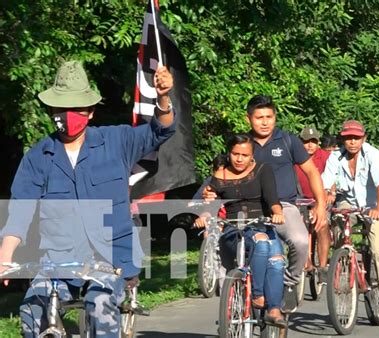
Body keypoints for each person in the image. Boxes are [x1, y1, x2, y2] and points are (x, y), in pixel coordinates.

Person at [0, 60, 175, 337]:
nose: (68, 115)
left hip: (111, 255)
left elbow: (160, 130)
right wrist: (5, 255)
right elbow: (20, 211)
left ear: (91, 112)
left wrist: (163, 98)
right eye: (61, 108)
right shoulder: (38, 157)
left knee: (100, 304)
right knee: (32, 312)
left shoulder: (117, 141)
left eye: (76, 108)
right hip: (58, 258)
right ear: (51, 111)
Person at [203, 95, 327, 313]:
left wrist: (320, 205)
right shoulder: (243, 146)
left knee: (300, 242)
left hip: (284, 207)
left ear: (275, 117)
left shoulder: (288, 141)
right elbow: (221, 177)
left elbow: (311, 172)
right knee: (236, 251)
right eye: (259, 117)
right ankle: (241, 290)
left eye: (269, 116)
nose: (264, 121)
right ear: (249, 118)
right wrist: (208, 195)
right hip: (248, 209)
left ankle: (288, 284)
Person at [194, 134, 286, 327]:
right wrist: (203, 216)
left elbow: (272, 199)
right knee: (260, 241)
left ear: (252, 155)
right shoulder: (220, 175)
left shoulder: (263, 170)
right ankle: (258, 296)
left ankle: (274, 310)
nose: (239, 159)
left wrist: (278, 213)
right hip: (233, 229)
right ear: (229, 153)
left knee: (277, 261)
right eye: (235, 154)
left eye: (244, 155)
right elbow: (211, 202)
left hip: (262, 222)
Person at [322, 120, 379, 311]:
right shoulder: (335, 156)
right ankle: (343, 258)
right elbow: (326, 182)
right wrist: (327, 195)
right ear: (343, 139)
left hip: (372, 204)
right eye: (348, 138)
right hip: (349, 203)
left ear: (364, 138)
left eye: (356, 137)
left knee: (378, 249)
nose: (352, 142)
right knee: (337, 224)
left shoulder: (373, 154)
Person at [295, 125, 331, 273]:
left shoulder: (326, 157)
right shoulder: (294, 156)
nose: (310, 145)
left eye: (313, 141)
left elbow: (333, 176)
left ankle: (322, 266)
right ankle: (307, 263)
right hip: (299, 199)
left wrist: (330, 193)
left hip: (320, 200)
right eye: (306, 141)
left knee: (322, 226)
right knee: (299, 228)